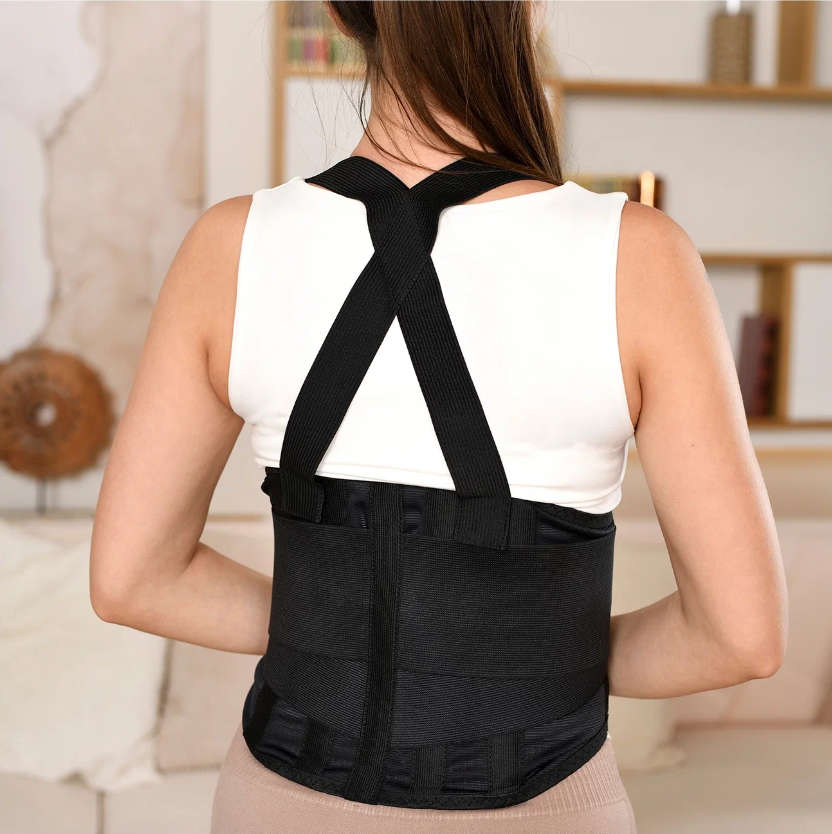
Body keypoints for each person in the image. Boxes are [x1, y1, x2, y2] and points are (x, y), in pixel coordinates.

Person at [89, 2, 788, 833]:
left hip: (279, 799)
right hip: (543, 806)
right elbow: (740, 636)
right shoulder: (639, 258)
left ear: (343, 15)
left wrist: (332, 632)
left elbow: (132, 579)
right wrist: (520, 654)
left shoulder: (229, 246)